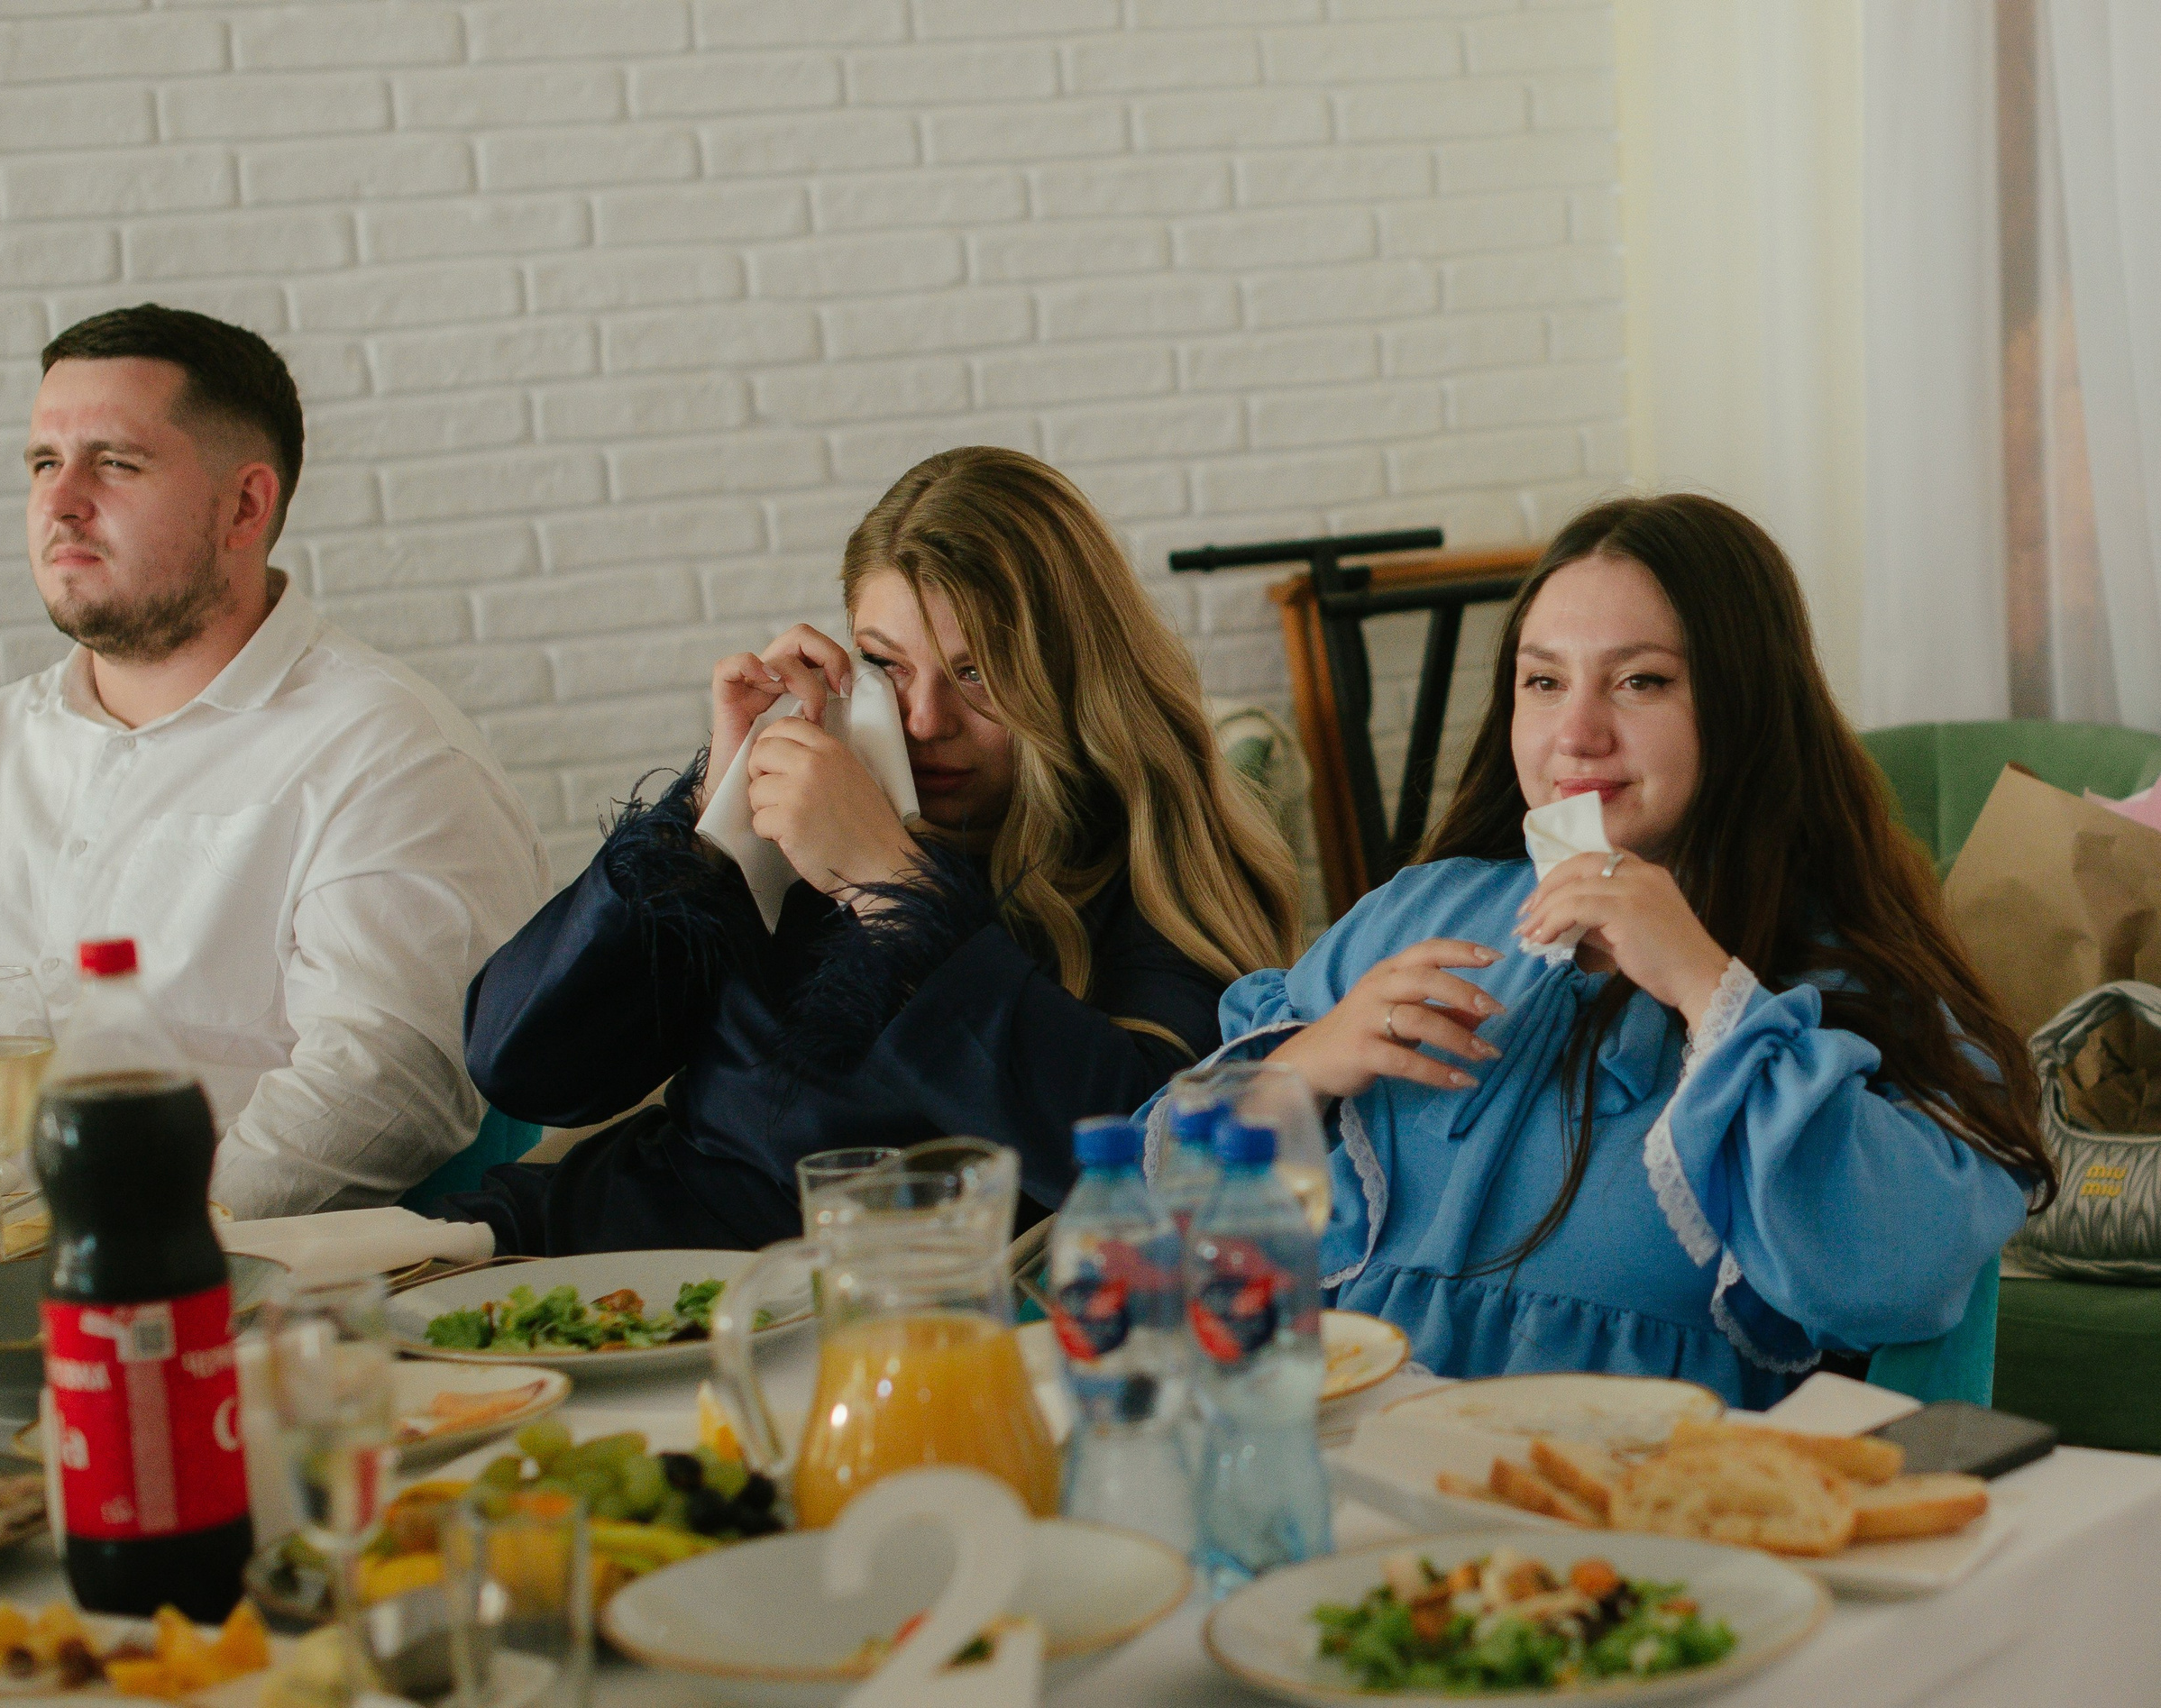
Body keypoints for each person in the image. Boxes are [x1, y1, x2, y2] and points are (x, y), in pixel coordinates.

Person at [1160, 493, 2055, 1408]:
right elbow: (1168, 1214)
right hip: (1351, 1461)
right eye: (1543, 681)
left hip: (1641, 1509)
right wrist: (1301, 1067)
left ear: (1746, 703)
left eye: (1640, 681)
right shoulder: (1414, 912)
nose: (1575, 734)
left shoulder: (1846, 978)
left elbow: (1897, 1272)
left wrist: (1707, 987)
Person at [446, 446, 1303, 1254]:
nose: (925, 720)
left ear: (1071, 673)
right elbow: (519, 1067)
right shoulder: (797, 821)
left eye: (977, 674)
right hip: (601, 1257)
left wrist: (890, 886)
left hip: (867, 1326)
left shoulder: (1145, 859)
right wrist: (707, 813)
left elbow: (1155, 1161)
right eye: (888, 664)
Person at [0, 305, 551, 1219]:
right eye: (42, 463)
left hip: (197, 1294)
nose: (61, 502)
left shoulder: (386, 752)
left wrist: (135, 1267)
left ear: (244, 506)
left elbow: (382, 1086)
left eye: (115, 462)